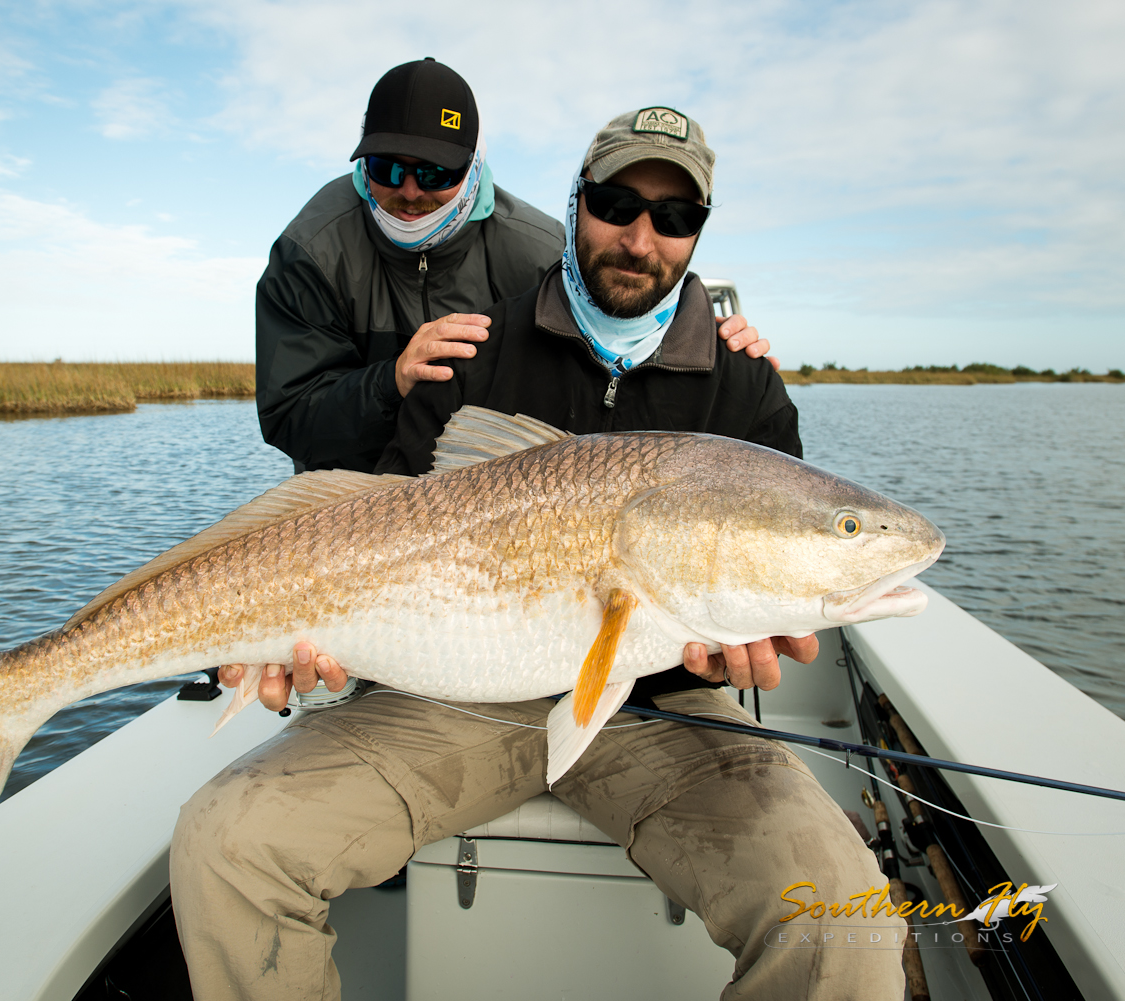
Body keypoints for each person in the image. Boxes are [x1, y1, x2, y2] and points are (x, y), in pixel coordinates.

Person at [174, 108, 902, 999]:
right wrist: (323, 643)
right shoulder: (469, 354)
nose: (641, 238)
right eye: (616, 202)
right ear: (574, 203)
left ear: (699, 233)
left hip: (663, 712)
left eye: (676, 219)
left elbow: (775, 581)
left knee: (845, 922)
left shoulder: (744, 381)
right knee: (227, 842)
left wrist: (758, 634)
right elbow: (377, 532)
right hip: (450, 706)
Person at [254, 58, 773, 475]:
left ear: (474, 163)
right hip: (333, 511)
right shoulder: (310, 252)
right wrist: (391, 382)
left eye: (436, 172)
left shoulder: (541, 248)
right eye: (386, 167)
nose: (410, 191)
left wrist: (716, 343)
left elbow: (616, 315)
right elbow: (287, 416)